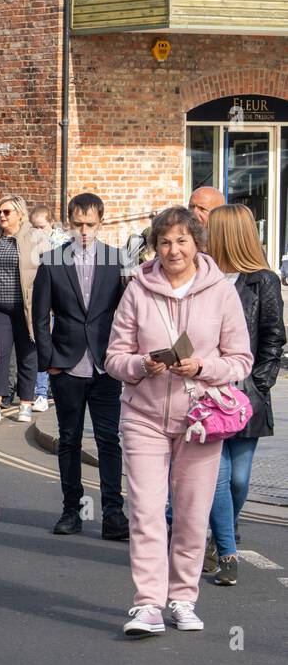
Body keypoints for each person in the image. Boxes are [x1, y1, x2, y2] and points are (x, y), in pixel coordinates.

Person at [105, 206, 252, 637]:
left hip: (202, 419)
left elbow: (239, 359)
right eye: (165, 242)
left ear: (196, 244)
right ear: (155, 247)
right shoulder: (137, 290)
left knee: (191, 513)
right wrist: (140, 365)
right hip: (144, 416)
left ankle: (183, 598)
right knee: (147, 512)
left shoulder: (221, 292)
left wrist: (202, 367)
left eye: (181, 241)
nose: (173, 250)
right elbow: (114, 357)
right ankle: (148, 604)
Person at [32, 192, 128, 540]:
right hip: (67, 367)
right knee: (70, 440)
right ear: (69, 222)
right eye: (78, 224)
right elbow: (39, 317)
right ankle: (71, 510)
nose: (84, 230)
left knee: (108, 440)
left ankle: (114, 514)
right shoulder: (51, 261)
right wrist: (49, 363)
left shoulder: (116, 260)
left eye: (91, 224)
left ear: (101, 222)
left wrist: (124, 356)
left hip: (105, 367)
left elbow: (127, 315)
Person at [202, 203, 285, 586]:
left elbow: (273, 337)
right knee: (217, 477)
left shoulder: (262, 280)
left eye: (210, 228)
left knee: (238, 478)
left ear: (227, 233)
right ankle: (225, 545)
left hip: (247, 396)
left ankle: (222, 532)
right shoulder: (205, 277)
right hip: (206, 396)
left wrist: (258, 384)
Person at [0, 194, 43, 423]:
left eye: (6, 212)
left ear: (20, 214)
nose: (2, 216)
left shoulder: (36, 238)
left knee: (27, 353)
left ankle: (26, 402)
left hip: (27, 306)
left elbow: (46, 273)